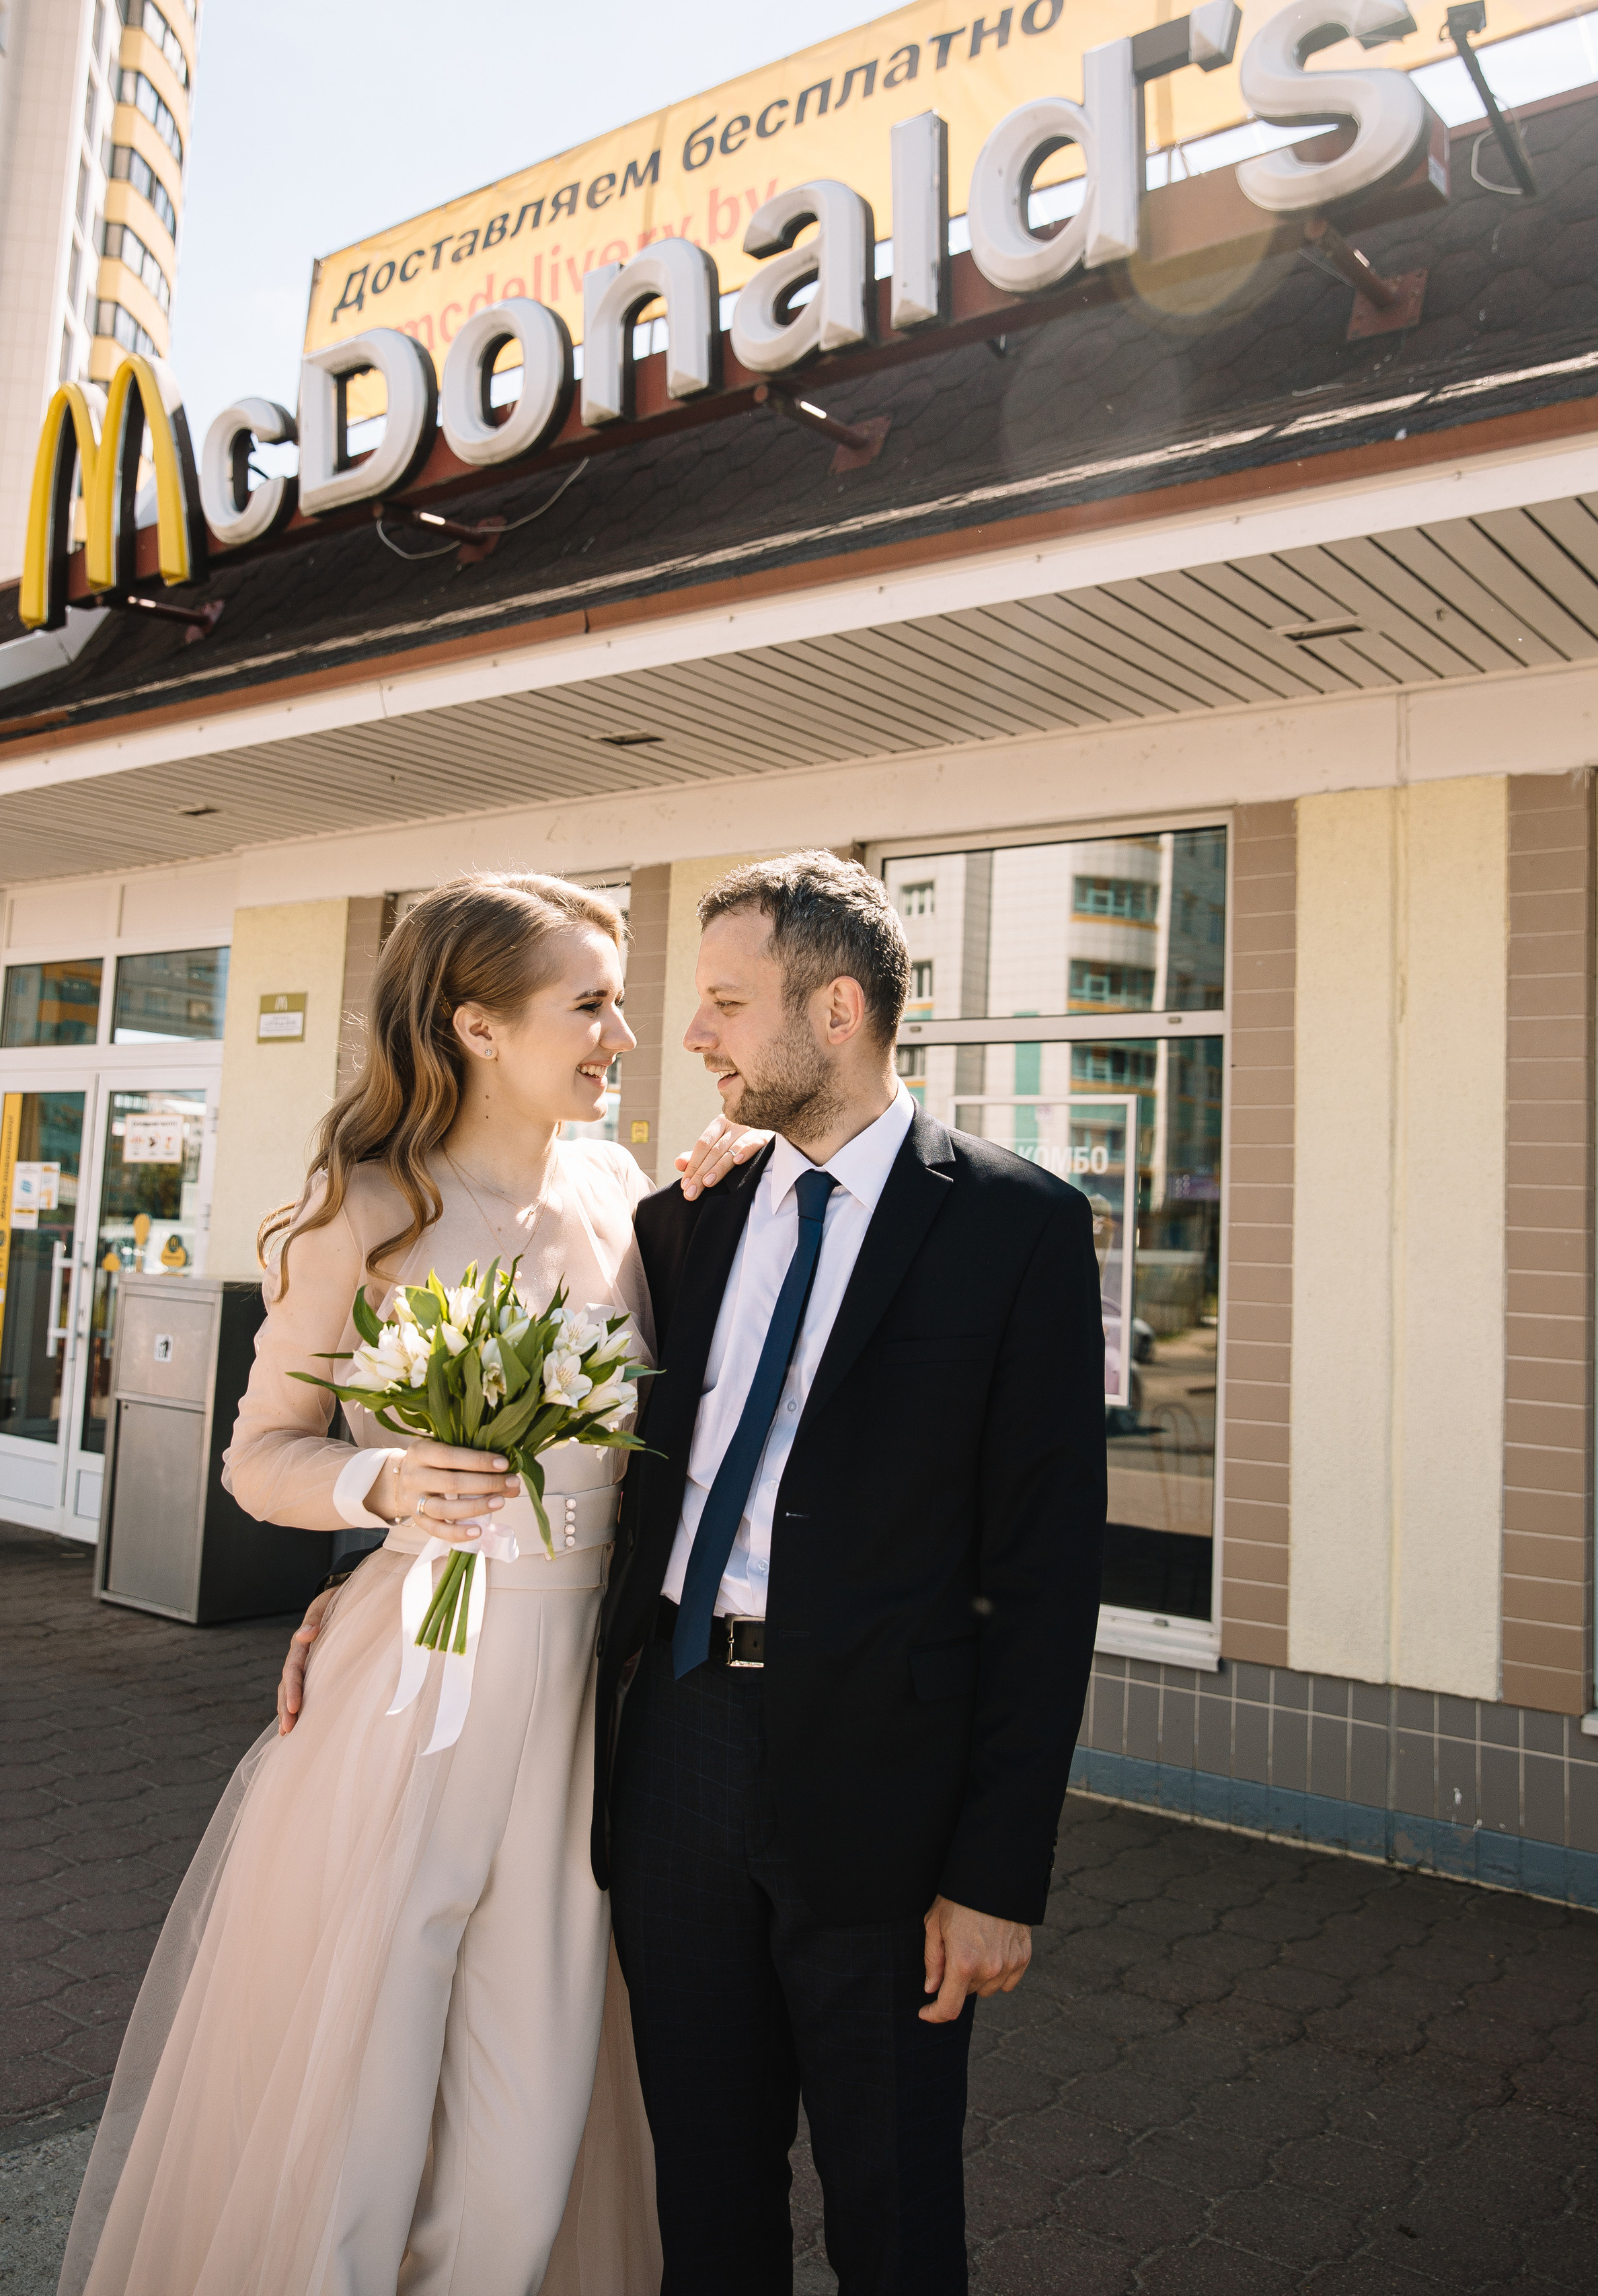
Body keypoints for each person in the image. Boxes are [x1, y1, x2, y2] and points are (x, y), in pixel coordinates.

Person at [59, 872, 760, 2296]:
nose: (621, 1034)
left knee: (530, 2127)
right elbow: (260, 1460)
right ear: (477, 1025)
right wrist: (377, 1493)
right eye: (590, 1004)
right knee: (358, 2115)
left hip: (577, 1720)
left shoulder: (625, 1197)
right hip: (409, 1703)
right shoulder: (361, 1213)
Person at [594, 850, 1107, 2296]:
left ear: (833, 1010)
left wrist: (999, 1871)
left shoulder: (1014, 1226)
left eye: (719, 1002)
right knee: (701, 2179)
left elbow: (1043, 1572)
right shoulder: (684, 1218)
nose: (690, 1035)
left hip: (885, 1789)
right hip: (681, 1745)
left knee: (890, 2200)